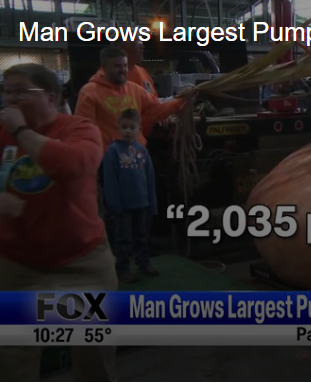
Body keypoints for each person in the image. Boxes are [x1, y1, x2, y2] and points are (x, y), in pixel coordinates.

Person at [0, 63, 117, 381]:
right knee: (13, 358)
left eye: (21, 91)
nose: (10, 99)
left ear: (50, 97)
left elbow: (72, 166)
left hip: (82, 263)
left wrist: (22, 131)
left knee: (93, 353)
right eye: (6, 91)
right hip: (18, 266)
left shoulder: (80, 130)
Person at [75, 46, 191, 149]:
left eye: (125, 66)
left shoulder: (134, 89)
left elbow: (157, 109)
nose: (123, 70)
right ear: (104, 68)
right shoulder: (89, 92)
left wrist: (181, 100)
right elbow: (84, 131)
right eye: (117, 66)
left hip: (137, 155)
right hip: (109, 159)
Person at [102, 108, 158, 283]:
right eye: (124, 127)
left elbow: (150, 178)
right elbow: (109, 179)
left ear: (138, 129)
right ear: (118, 128)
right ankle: (123, 268)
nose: (127, 130)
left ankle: (144, 262)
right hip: (123, 206)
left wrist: (152, 203)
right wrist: (114, 204)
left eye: (131, 127)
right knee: (123, 238)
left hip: (142, 203)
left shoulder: (142, 151)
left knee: (142, 235)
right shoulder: (112, 151)